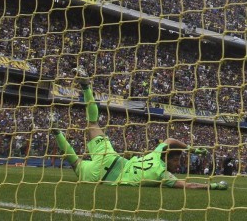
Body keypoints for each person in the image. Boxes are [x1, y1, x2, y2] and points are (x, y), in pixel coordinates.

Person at [51, 69, 227, 190]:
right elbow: (189, 186)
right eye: (177, 161)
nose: (179, 165)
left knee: (93, 124)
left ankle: (85, 87)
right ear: (169, 158)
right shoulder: (161, 174)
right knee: (76, 164)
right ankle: (56, 132)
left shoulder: (156, 153)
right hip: (104, 179)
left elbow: (170, 140)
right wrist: (212, 186)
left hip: (111, 158)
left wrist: (191, 149)